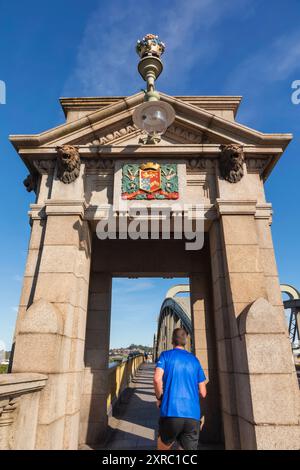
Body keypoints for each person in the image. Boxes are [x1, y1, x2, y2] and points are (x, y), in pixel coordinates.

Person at [153, 328, 207, 451]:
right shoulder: (194, 360)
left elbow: (157, 379)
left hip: (171, 412)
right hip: (192, 415)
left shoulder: (166, 356)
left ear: (172, 340)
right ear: (185, 342)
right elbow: (203, 392)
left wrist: (160, 398)